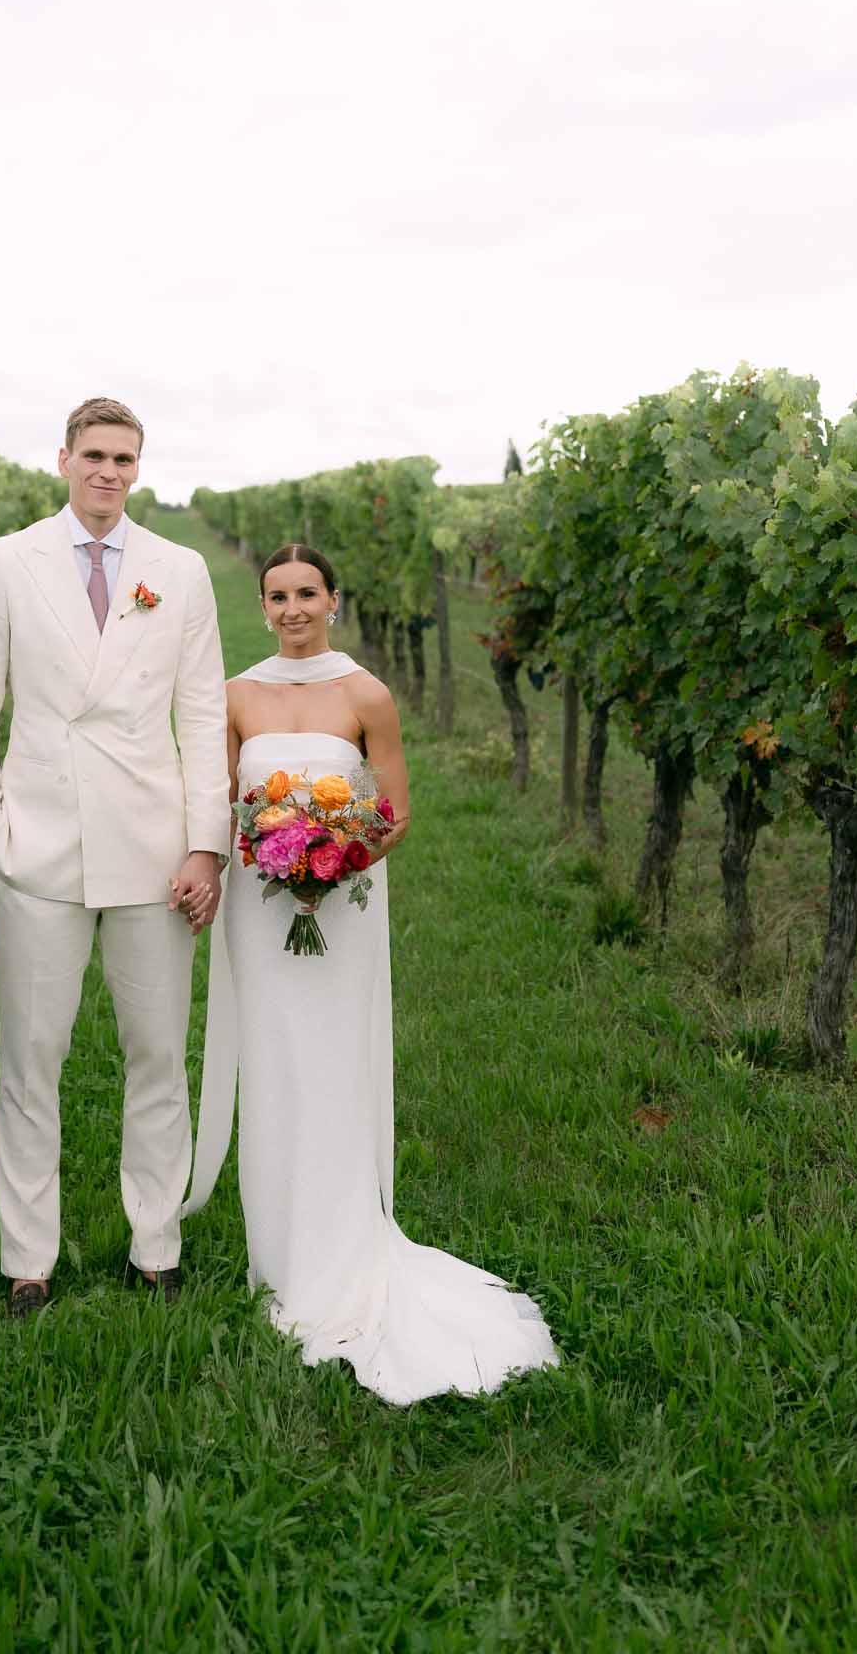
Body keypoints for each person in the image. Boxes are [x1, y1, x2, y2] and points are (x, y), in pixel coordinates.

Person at [183, 543, 559, 1404]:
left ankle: (346, 1243)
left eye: (306, 593)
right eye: (276, 596)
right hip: (259, 905)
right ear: (264, 603)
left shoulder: (365, 693)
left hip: (341, 905)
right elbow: (214, 799)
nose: (290, 610)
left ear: (333, 600)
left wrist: (333, 856)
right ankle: (277, 1251)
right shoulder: (235, 695)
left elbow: (394, 809)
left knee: (333, 1064)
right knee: (274, 1062)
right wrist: (267, 860)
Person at [0, 398, 227, 1318]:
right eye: (94, 455)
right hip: (39, 846)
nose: (108, 472)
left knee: (155, 1053)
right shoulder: (6, 561)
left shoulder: (177, 571)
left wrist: (205, 845)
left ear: (138, 469)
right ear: (63, 459)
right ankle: (28, 1256)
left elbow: (199, 716)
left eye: (125, 458)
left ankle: (156, 1242)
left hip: (152, 849)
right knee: (32, 1057)